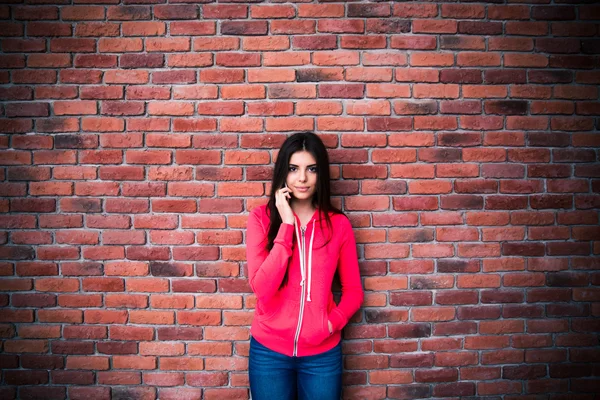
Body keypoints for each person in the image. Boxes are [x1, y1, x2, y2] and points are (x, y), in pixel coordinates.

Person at [245, 132, 365, 400]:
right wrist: (286, 226)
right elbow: (262, 289)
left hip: (322, 356)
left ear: (320, 173)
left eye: (311, 169)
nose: (302, 178)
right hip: (269, 353)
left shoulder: (338, 225)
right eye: (293, 169)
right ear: (283, 173)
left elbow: (354, 291)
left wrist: (330, 324)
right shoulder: (261, 220)